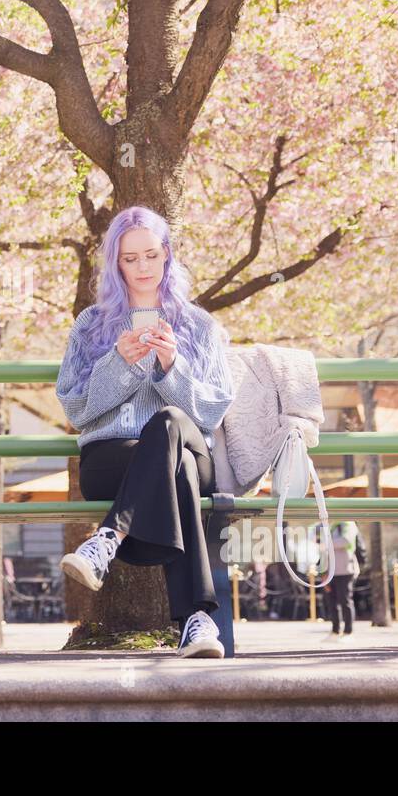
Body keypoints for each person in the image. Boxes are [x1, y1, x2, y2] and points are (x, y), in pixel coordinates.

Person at [55, 206, 236, 658]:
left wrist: (173, 366)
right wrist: (119, 363)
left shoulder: (198, 325)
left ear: (167, 256)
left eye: (151, 256)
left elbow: (211, 411)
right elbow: (77, 409)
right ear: (115, 263)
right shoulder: (91, 325)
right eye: (129, 259)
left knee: (170, 421)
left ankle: (107, 539)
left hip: (189, 445)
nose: (141, 268)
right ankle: (196, 621)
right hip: (113, 459)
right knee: (181, 479)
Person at [318, 520, 363, 641]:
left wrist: (326, 543)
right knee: (332, 602)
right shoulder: (331, 526)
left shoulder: (349, 523)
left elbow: (346, 541)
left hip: (345, 569)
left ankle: (348, 632)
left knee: (345, 600)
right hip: (331, 571)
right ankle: (335, 631)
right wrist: (323, 572)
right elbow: (323, 551)